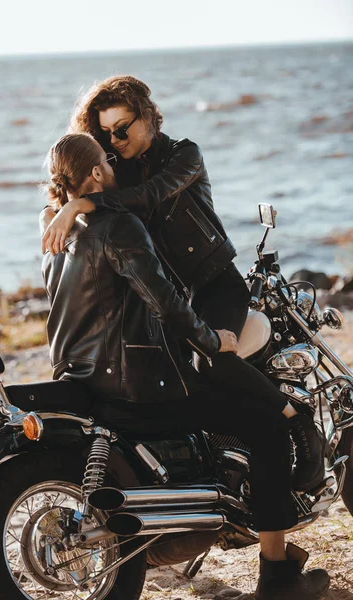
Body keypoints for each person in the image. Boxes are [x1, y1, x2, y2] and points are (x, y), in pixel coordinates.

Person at [41, 131, 330, 600]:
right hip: (139, 388)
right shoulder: (119, 227)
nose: (115, 167)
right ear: (95, 173)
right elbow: (167, 303)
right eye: (107, 163)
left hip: (87, 379)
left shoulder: (55, 235)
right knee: (266, 427)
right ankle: (277, 576)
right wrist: (211, 338)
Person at [40, 75, 324, 493]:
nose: (115, 140)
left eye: (123, 128)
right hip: (176, 293)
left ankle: (296, 422)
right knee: (188, 382)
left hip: (215, 283)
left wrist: (84, 203)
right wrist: (63, 208)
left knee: (211, 356)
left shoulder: (183, 155)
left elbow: (153, 194)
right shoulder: (116, 170)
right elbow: (85, 175)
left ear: (148, 116)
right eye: (105, 133)